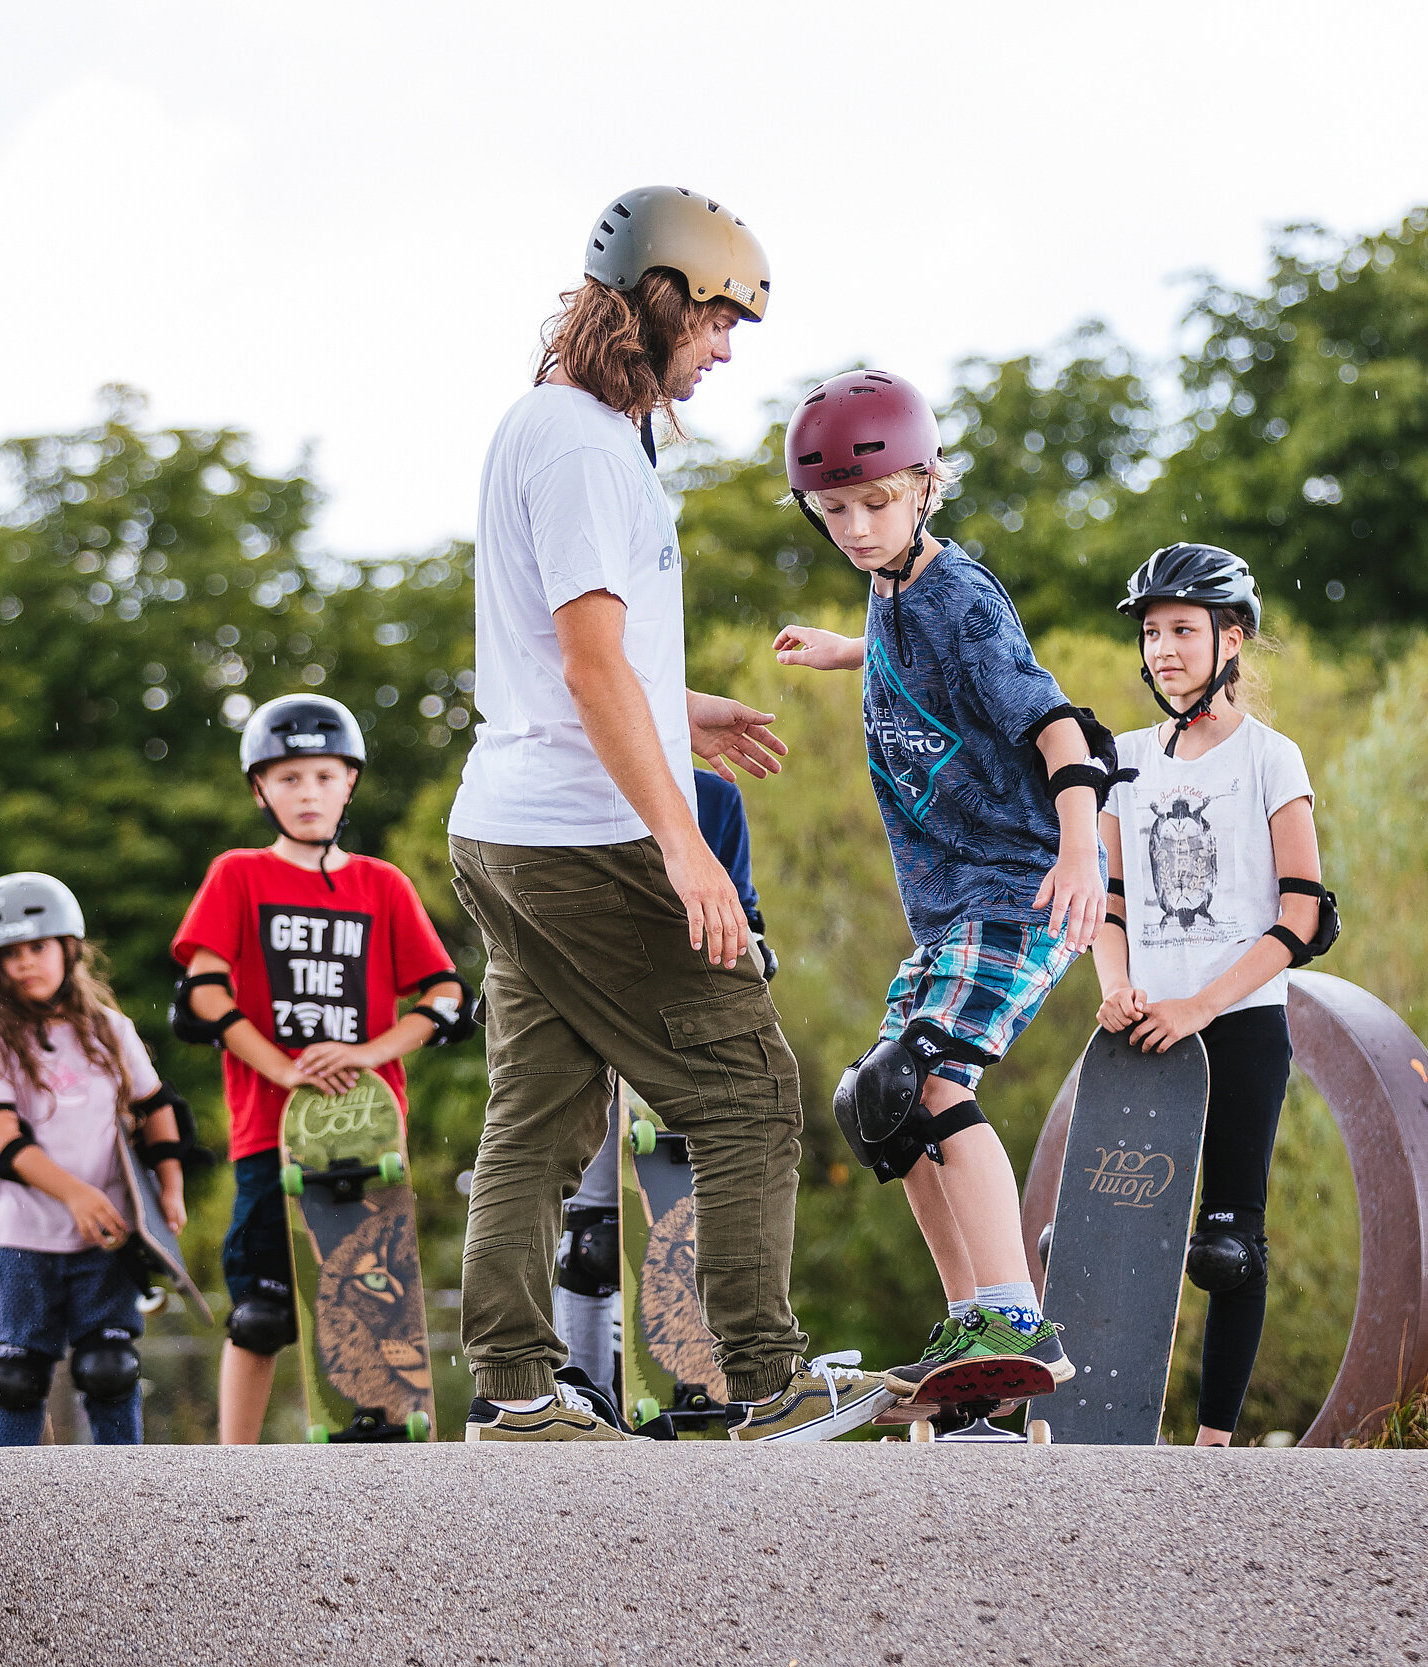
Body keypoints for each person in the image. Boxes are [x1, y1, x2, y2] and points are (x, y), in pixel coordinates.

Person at [448, 185, 889, 1443]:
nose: (725, 348)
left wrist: (680, 704)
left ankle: (516, 1390)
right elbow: (587, 666)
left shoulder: (546, 424)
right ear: (655, 299)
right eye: (716, 319)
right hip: (588, 838)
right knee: (749, 1088)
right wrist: (685, 844)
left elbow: (573, 652)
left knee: (538, 1114)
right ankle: (767, 1376)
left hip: (506, 826)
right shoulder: (588, 446)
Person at [770, 368, 1127, 1401]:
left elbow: (1058, 721)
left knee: (929, 1079)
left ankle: (1018, 1320)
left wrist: (1079, 850)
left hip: (1022, 883)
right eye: (831, 510)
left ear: (927, 485)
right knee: (878, 1107)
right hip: (952, 907)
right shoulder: (888, 591)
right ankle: (973, 1320)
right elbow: (907, 655)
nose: (855, 527)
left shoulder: (959, 596)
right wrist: (850, 652)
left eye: (877, 504)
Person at [170, 692, 471, 1445]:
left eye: (323, 776)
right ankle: (230, 1471)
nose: (308, 793)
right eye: (290, 778)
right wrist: (283, 1067)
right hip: (271, 1137)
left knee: (379, 1310)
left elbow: (445, 993)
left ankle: (384, 1467)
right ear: (260, 789)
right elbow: (203, 992)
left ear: (350, 783)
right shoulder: (237, 875)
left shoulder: (382, 884)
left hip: (369, 1139)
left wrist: (367, 1052)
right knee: (263, 1312)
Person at [1091, 543, 1339, 1445]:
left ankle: (1213, 1450)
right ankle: (1105, 1429)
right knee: (1111, 1236)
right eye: (1152, 633)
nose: (1163, 649)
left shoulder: (1274, 759)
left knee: (1224, 1247)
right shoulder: (1121, 759)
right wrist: (1117, 985)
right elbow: (1108, 901)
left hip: (1236, 1030)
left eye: (1183, 630)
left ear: (1232, 638)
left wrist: (1201, 1005)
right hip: (1141, 1031)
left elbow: (1304, 914)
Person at [552, 767, 777, 1394]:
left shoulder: (714, 798)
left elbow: (744, 919)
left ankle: (718, 1379)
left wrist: (750, 956)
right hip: (590, 1022)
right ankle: (585, 1390)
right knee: (592, 1239)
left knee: (689, 1219)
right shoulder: (575, 779)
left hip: (684, 1026)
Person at [0, 871, 203, 1446]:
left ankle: (122, 1501)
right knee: (18, 1376)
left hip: (110, 1234)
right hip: (23, 1237)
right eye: (10, 954)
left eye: (38, 946)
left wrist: (169, 1190)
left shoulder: (109, 1029)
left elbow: (157, 1108)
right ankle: (7, 1504)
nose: (27, 962)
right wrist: (75, 1194)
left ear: (67, 949)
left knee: (109, 1367)